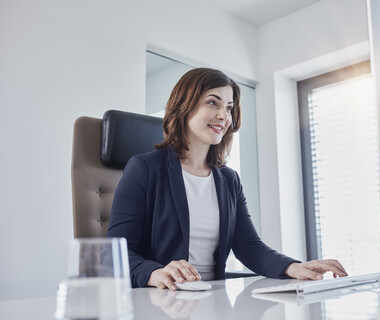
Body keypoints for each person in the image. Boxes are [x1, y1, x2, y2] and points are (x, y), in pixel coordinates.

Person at [107, 68, 347, 290]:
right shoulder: (145, 169)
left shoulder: (228, 180)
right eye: (213, 103)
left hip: (213, 299)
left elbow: (248, 245)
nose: (223, 116)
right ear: (185, 106)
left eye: (229, 108)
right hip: (162, 302)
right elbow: (114, 255)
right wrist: (156, 272)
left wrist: (294, 267)